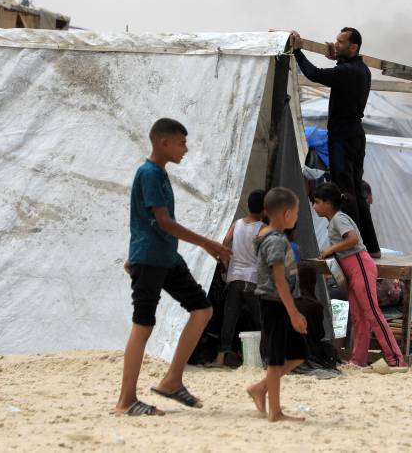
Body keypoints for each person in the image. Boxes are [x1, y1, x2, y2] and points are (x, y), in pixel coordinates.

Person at [114, 118, 231, 416]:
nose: (186, 149)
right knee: (143, 325)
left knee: (202, 309)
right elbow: (163, 222)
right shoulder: (149, 173)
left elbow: (142, 220)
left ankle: (172, 379)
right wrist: (207, 243)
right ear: (163, 143)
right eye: (181, 143)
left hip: (164, 257)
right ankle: (125, 400)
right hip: (152, 259)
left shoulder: (159, 173)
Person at [288, 27, 380, 257]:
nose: (336, 45)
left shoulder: (348, 72)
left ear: (353, 47)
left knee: (344, 191)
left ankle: (355, 246)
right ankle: (372, 247)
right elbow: (341, 73)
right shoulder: (361, 70)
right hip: (355, 133)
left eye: (340, 42)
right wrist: (337, 59)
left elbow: (314, 74)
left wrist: (298, 52)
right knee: (356, 191)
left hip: (342, 135)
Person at [313, 182, 404, 367]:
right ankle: (358, 360)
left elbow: (353, 238)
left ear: (328, 203)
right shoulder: (334, 221)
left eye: (317, 202)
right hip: (352, 270)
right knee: (359, 317)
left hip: (360, 266)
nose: (314, 206)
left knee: (372, 313)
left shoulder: (339, 219)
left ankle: (396, 359)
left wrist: (331, 249)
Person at [246, 187, 309, 423]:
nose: (296, 217)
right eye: (296, 212)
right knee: (275, 360)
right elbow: (279, 279)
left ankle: (260, 388)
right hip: (274, 304)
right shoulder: (274, 240)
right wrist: (293, 312)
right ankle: (276, 411)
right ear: (286, 213)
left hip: (281, 303)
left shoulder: (275, 237)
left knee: (299, 353)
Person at [209, 189, 266, 369]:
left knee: (229, 320)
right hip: (252, 280)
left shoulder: (237, 224)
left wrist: (227, 265)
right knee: (261, 320)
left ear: (248, 205)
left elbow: (224, 245)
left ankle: (219, 359)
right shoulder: (263, 229)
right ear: (265, 209)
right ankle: (266, 359)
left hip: (234, 279)